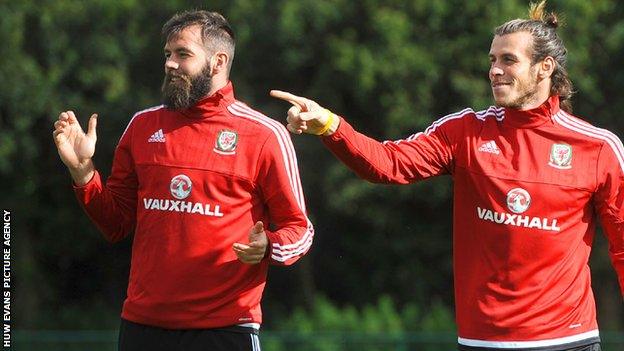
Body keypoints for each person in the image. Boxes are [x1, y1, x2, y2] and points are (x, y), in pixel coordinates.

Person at [271, 1, 622, 351]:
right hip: (482, 341)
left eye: (508, 60)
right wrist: (331, 126)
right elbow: (388, 163)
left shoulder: (597, 148)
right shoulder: (465, 132)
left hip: (568, 339)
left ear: (545, 68)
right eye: (492, 60)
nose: (495, 70)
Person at [53, 10, 313, 351]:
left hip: (225, 328)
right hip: (142, 326)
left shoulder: (264, 135)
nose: (170, 64)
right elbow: (115, 223)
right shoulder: (142, 127)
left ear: (218, 62)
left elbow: (301, 231)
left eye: (183, 54)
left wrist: (269, 246)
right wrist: (83, 171)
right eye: (167, 54)